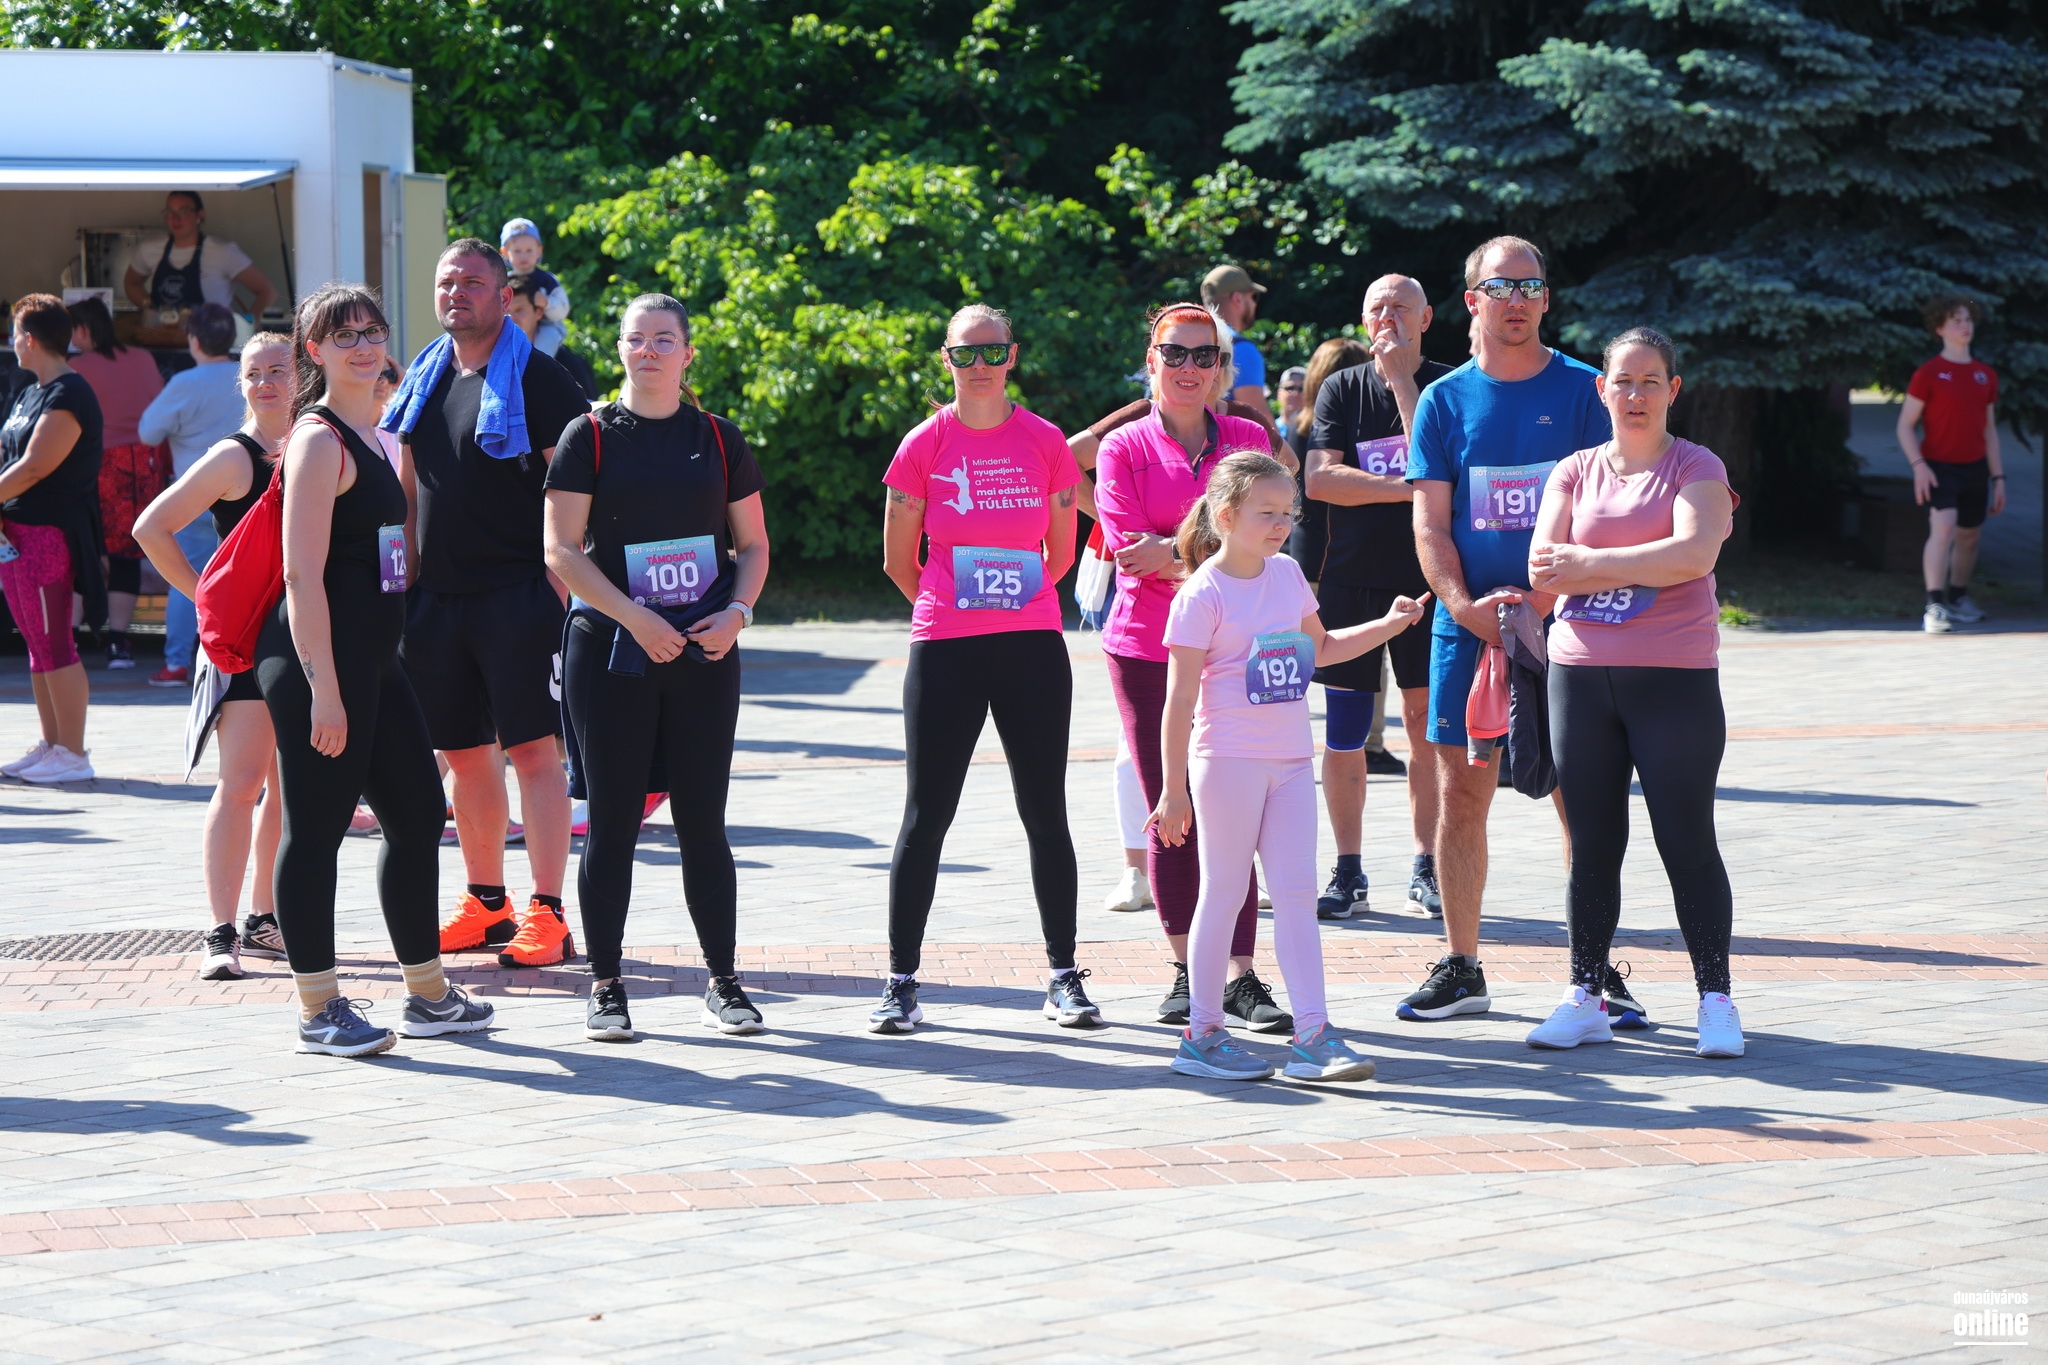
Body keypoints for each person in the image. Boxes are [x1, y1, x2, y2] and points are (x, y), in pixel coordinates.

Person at [256, 283, 493, 1057]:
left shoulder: (376, 432)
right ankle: (317, 1007)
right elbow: (301, 575)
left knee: (419, 814)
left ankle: (427, 993)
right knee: (316, 830)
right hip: (318, 664)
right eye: (343, 335)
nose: (362, 345)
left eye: (371, 330)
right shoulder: (318, 439)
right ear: (314, 351)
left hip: (374, 663)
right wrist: (323, 688)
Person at [1152, 451, 1427, 1081]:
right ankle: (1202, 1036)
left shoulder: (1289, 574)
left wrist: (1389, 625)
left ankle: (1313, 1037)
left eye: (1288, 513)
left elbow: (1322, 649)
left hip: (1293, 764)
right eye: (1267, 512)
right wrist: (1172, 791)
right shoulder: (1201, 595)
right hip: (1227, 763)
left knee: (1298, 897)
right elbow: (1178, 703)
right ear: (1225, 516)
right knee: (1224, 893)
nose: (1281, 524)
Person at [544, 293, 770, 1041]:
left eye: (664, 339)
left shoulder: (719, 437)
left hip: (705, 651)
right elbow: (561, 549)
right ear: (619, 348)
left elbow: (754, 547)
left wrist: (737, 614)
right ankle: (606, 986)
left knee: (703, 820)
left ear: (687, 352)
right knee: (612, 822)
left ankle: (724, 982)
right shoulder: (588, 435)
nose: (648, 350)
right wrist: (634, 617)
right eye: (635, 338)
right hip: (613, 653)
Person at [1403, 236, 1608, 1022]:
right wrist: (1462, 607)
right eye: (1499, 287)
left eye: (1529, 286)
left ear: (1547, 299)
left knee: (1581, 794)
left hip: (1571, 624)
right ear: (1472, 301)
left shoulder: (1587, 391)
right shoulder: (1442, 401)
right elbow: (1431, 524)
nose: (1515, 300)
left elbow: (1607, 509)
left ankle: (1592, 971)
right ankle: (1462, 965)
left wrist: (1546, 600)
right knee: (1461, 792)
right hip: (1469, 629)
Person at [1526, 327, 1742, 1058]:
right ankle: (1584, 995)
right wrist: (1630, 564)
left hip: (1675, 679)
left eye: (1651, 381)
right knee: (1592, 844)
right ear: (1602, 388)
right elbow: (1542, 568)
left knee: (1686, 839)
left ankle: (1715, 1000)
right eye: (1623, 380)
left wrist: (1588, 563)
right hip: (1580, 676)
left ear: (1673, 390)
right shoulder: (1574, 470)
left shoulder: (1696, 465)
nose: (1636, 394)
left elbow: (1695, 553)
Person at [873, 304, 1088, 1034]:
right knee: (925, 815)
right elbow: (897, 560)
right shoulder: (923, 444)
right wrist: (952, 607)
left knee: (1045, 811)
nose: (980, 365)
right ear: (947, 360)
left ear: (1012, 356)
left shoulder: (1046, 441)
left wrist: (1008, 602)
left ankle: (1064, 976)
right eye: (966, 354)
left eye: (993, 351)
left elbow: (1060, 554)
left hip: (1031, 645)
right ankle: (900, 981)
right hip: (946, 648)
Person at [379, 240, 585, 971]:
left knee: (533, 752)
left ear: (504, 294)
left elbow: (579, 487)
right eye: (447, 282)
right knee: (465, 756)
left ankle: (549, 914)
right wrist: (402, 583)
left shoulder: (541, 379)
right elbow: (408, 487)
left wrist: (557, 587)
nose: (456, 292)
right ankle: (487, 902)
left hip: (519, 596)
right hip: (435, 600)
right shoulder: (426, 375)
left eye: (472, 281)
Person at [1094, 303, 1287, 1030]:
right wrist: (1220, 550)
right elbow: (1129, 555)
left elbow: (1264, 540)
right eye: (1174, 354)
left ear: (1220, 368)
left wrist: (1174, 552)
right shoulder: (1123, 447)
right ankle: (1184, 970)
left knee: (1237, 814)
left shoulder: (1247, 438)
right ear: (1151, 361)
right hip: (1148, 649)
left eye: (1204, 356)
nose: (1188, 368)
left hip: (1239, 651)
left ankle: (1239, 976)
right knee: (1171, 808)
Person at [134, 333, 294, 979]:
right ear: (240, 384)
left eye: (278, 370)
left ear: (302, 374)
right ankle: (221, 932)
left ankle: (264, 918)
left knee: (287, 788)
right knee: (241, 784)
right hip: (247, 642)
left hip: (306, 639)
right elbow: (150, 526)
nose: (265, 382)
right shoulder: (235, 457)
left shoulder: (315, 444)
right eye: (253, 373)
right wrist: (205, 593)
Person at [1304, 278, 1454, 922]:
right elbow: (1320, 479)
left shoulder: (1450, 385)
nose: (1388, 318)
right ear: (1363, 320)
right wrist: (1410, 489)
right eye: (1377, 309)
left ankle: (1427, 863)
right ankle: (1348, 869)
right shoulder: (1342, 386)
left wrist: (1400, 383)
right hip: (1351, 580)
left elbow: (1445, 464)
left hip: (1430, 580)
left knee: (1425, 726)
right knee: (1344, 733)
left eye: (1401, 308)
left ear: (1426, 317)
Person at [0, 295, 105, 785]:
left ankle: (74, 753)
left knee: (55, 641)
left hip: (49, 534)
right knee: (37, 642)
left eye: (14, 333)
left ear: (29, 339)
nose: (11, 341)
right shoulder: (30, 392)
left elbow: (36, 466)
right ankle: (52, 745)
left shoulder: (70, 393)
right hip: (16, 532)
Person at [138, 303, 246, 688]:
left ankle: (177, 663)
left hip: (195, 496)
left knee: (187, 580)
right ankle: (241, 652)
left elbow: (148, 432)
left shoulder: (185, 382)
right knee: (247, 576)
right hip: (247, 494)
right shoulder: (249, 375)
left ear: (194, 341)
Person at [67, 298, 167, 669]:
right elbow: (161, 407)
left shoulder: (74, 368)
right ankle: (118, 644)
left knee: (83, 552)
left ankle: (69, 642)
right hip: (138, 466)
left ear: (83, 329)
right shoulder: (142, 358)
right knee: (127, 555)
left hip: (89, 466)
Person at [1899, 294, 2004, 632]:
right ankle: (1934, 606)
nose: (1965, 326)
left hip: (1975, 467)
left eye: (1968, 320)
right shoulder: (1929, 373)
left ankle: (1958, 598)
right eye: (1956, 321)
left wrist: (1998, 478)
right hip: (1938, 466)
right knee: (1944, 526)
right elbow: (1905, 425)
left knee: (1969, 536)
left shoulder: (1985, 375)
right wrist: (1919, 466)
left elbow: (1989, 430)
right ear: (1940, 329)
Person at [122, 191, 277, 320]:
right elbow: (131, 283)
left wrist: (248, 326)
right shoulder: (149, 250)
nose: (176, 218)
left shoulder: (223, 252)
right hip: (162, 339)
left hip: (212, 342)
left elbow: (267, 291)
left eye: (183, 211)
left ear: (200, 214)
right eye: (170, 212)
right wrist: (150, 307)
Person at [509, 271, 600, 401]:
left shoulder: (571, 365)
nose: (511, 318)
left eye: (519, 310)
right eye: (505, 310)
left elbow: (591, 410)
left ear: (539, 313)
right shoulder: (488, 361)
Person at [1202, 264, 1274, 423]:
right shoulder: (1241, 349)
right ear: (1237, 298)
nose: (1255, 304)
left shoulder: (1185, 340)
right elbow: (1258, 418)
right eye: (1253, 297)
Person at [499, 219, 570, 356]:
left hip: (547, 326)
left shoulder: (547, 281)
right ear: (505, 252)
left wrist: (547, 303)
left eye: (529, 250)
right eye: (517, 251)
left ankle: (538, 366)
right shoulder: (502, 281)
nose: (523, 256)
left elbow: (563, 310)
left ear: (539, 251)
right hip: (511, 325)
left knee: (547, 342)